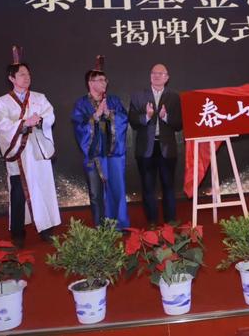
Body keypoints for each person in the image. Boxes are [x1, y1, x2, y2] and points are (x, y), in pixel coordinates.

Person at [0, 46, 61, 247]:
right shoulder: (2, 102)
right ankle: (18, 232)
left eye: (28, 74)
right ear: (11, 78)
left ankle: (46, 229)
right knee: (18, 192)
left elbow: (50, 115)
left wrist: (39, 121)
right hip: (18, 153)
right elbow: (2, 125)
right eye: (22, 74)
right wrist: (24, 124)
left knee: (43, 187)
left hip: (37, 151)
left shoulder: (39, 97)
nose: (26, 77)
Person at [71, 55, 129, 230]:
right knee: (96, 194)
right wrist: (95, 116)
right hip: (94, 156)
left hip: (113, 154)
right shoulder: (81, 104)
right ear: (90, 82)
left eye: (105, 80)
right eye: (100, 80)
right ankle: (101, 228)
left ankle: (118, 225)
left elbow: (124, 119)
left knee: (116, 190)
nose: (104, 83)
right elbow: (79, 127)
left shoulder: (114, 101)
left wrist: (109, 114)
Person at [129, 64, 182, 226]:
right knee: (148, 187)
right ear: (150, 76)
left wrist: (165, 117)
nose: (157, 75)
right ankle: (152, 221)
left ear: (167, 77)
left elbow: (179, 124)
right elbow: (133, 121)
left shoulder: (174, 97)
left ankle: (170, 221)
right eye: (154, 73)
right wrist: (147, 116)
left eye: (160, 73)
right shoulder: (138, 96)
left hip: (167, 149)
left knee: (168, 186)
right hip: (146, 149)